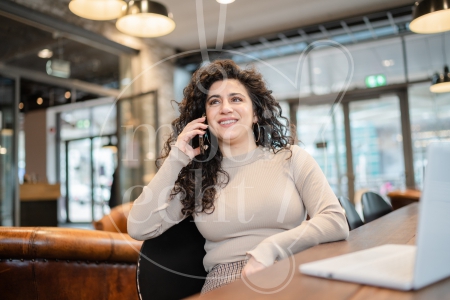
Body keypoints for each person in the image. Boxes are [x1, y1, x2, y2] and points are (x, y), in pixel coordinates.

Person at [128, 59, 349, 293]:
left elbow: (335, 221)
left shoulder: (292, 158)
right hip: (225, 285)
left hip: (288, 273)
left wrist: (270, 248)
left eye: (236, 99)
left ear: (255, 114)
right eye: (214, 102)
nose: (225, 108)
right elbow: (138, 227)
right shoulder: (197, 178)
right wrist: (176, 158)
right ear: (205, 119)